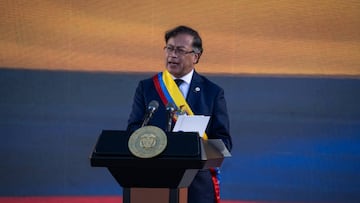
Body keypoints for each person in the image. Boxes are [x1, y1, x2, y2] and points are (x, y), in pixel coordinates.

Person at [127, 25, 232, 203]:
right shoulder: (147, 88)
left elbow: (224, 143)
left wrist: (193, 148)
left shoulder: (212, 92)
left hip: (197, 186)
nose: (172, 55)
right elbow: (133, 130)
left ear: (195, 57)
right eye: (169, 48)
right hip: (153, 181)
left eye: (180, 50)